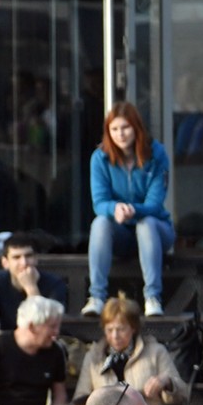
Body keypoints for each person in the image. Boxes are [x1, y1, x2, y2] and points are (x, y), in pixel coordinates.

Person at [73, 296, 191, 405]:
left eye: (121, 329)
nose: (115, 335)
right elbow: (80, 399)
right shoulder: (93, 358)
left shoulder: (155, 352)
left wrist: (166, 382)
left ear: (133, 328)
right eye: (109, 330)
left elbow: (183, 393)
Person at [86, 102, 174, 317]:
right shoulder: (100, 158)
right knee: (100, 222)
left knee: (146, 223)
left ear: (136, 127)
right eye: (114, 129)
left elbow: (154, 203)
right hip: (121, 233)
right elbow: (99, 203)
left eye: (125, 128)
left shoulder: (156, 154)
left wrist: (132, 210)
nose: (120, 134)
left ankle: (152, 297)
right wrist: (115, 208)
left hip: (155, 230)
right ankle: (96, 296)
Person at [0, 235, 69, 335]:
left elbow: (43, 329)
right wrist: (16, 343)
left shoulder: (54, 283)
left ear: (36, 259)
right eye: (16, 257)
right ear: (5, 263)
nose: (24, 263)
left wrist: (31, 287)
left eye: (28, 256)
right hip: (6, 340)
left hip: (43, 343)